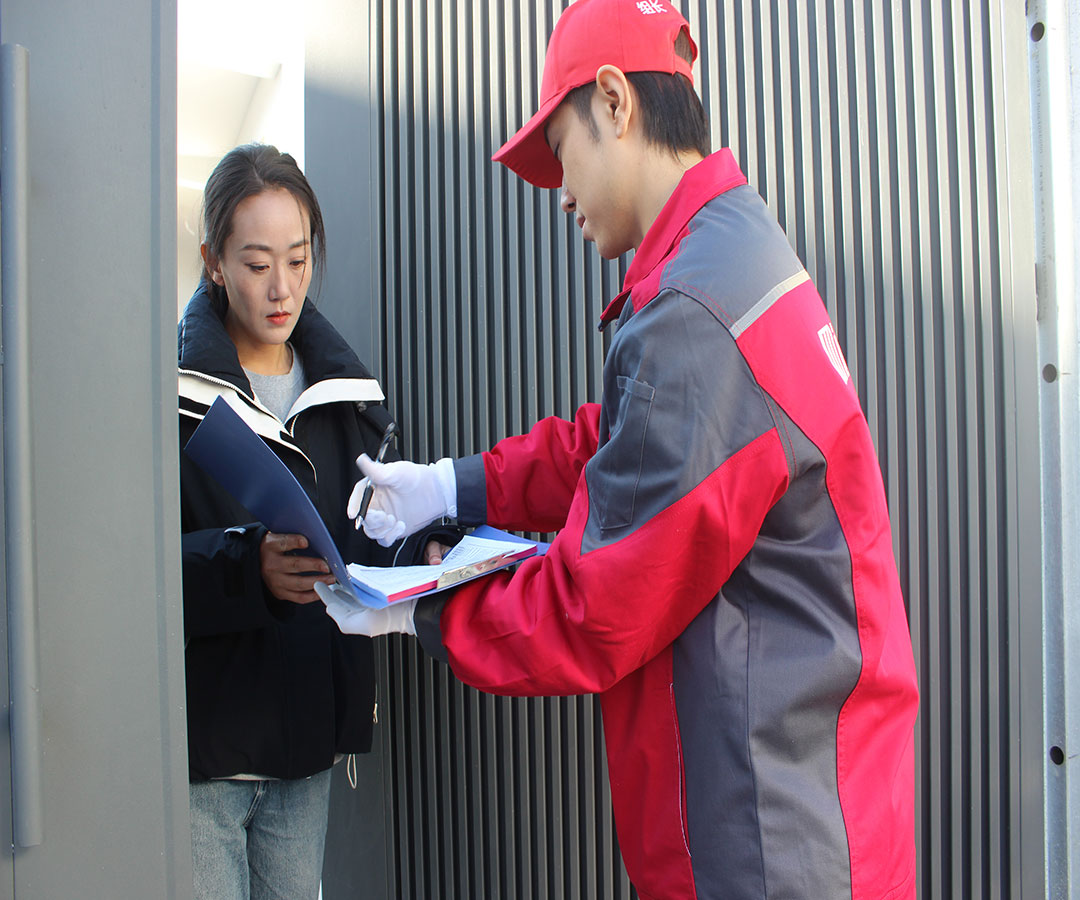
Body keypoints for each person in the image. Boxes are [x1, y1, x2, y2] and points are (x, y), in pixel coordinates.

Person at [318, 2, 919, 898]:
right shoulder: (727, 262)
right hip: (801, 802)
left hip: (769, 839)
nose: (559, 191)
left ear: (613, 101)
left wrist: (417, 608)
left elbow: (595, 606)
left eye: (560, 152)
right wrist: (451, 486)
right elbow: (627, 450)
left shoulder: (695, 316)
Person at [178, 143, 452, 900]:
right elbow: (137, 567)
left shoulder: (347, 393)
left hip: (308, 745)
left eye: (298, 261)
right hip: (208, 753)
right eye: (257, 263)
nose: (282, 288)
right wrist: (248, 568)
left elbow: (362, 536)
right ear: (213, 262)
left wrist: (425, 547)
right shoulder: (169, 393)